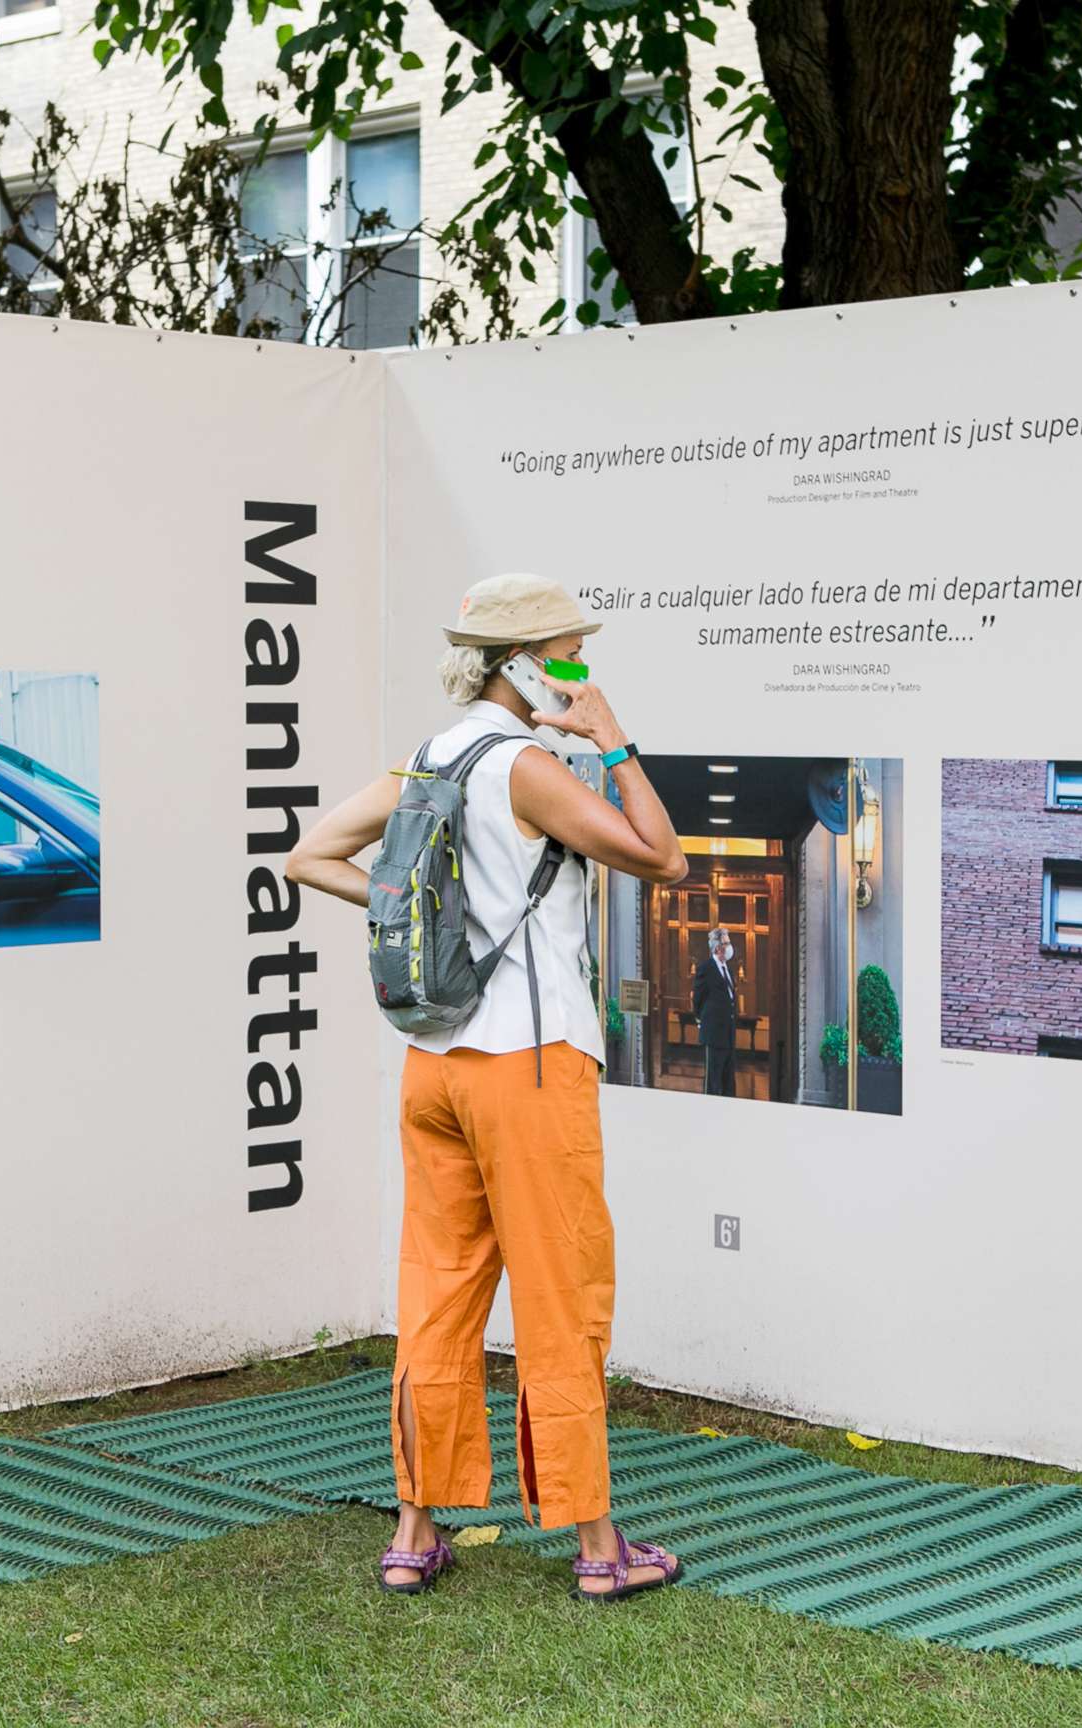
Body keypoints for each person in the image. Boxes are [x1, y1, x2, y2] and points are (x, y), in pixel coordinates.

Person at [290, 572, 691, 1604]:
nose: (579, 669)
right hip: (530, 1063)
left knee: (437, 1293)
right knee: (562, 1298)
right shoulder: (521, 765)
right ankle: (600, 1549)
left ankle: (414, 1533)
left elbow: (312, 855)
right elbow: (665, 859)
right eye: (566, 654)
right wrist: (613, 740)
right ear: (520, 665)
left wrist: (420, 924)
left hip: (434, 1065)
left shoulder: (433, 753)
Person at [692, 926, 739, 1097]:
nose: (730, 946)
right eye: (727, 943)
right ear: (718, 947)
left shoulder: (728, 969)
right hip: (714, 1034)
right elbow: (698, 999)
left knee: (728, 1081)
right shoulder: (706, 969)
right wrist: (701, 1020)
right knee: (713, 1080)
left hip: (728, 1035)